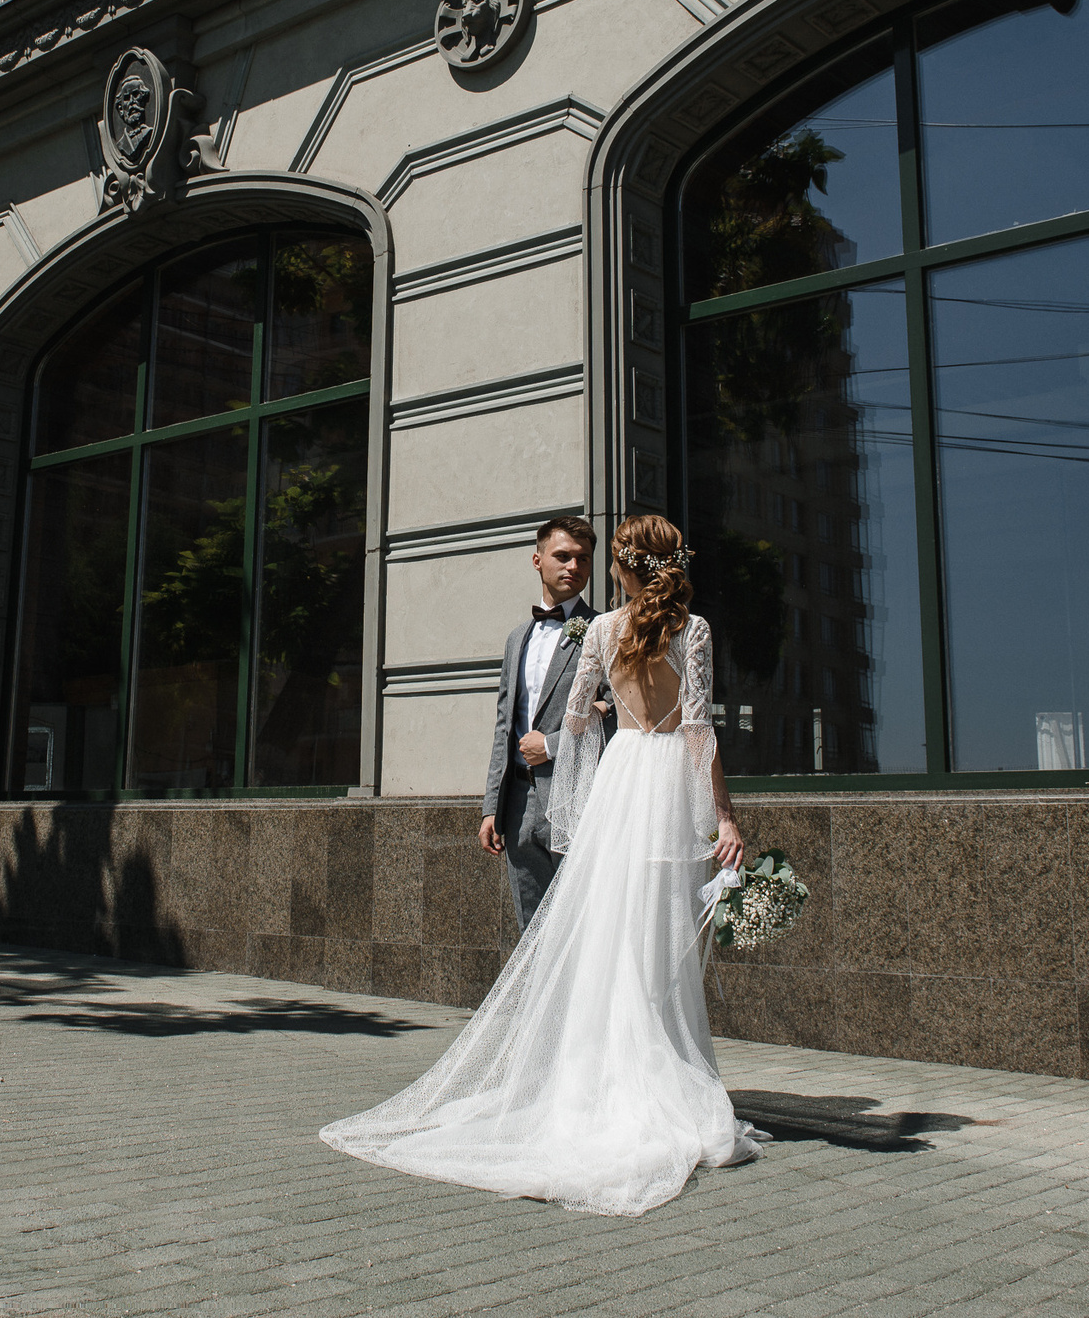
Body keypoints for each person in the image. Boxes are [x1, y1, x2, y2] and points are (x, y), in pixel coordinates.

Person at [322, 515, 769, 1215]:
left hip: (621, 782)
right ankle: (651, 1072)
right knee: (658, 940)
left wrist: (593, 719)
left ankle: (594, 1079)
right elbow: (697, 728)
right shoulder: (696, 630)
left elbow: (577, 723)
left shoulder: (600, 630)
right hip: (664, 787)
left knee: (608, 934)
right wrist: (725, 816)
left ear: (621, 567)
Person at [478, 516, 608, 930]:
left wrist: (552, 745)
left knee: (578, 926)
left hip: (575, 796)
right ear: (537, 560)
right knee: (530, 930)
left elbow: (620, 714)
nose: (573, 567)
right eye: (563, 556)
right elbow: (505, 725)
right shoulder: (518, 637)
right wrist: (490, 808)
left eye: (583, 559)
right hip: (517, 802)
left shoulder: (603, 630)